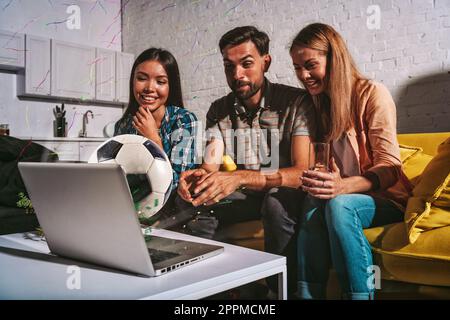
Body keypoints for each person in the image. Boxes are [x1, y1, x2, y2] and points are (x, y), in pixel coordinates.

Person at [177, 26, 313, 294]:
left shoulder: (296, 102)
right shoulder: (219, 109)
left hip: (284, 192)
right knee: (195, 202)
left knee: (275, 203)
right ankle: (203, 289)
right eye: (229, 66)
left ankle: (280, 291)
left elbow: (302, 172)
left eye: (246, 64)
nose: (237, 75)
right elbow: (210, 165)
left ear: (266, 61)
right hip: (246, 196)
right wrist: (197, 179)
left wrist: (238, 177)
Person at [289, 23, 413, 300]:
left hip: (387, 199)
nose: (304, 75)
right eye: (297, 68)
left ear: (336, 59)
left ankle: (358, 296)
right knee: (312, 201)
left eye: (310, 65)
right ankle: (307, 294)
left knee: (340, 204)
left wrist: (341, 187)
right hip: (344, 197)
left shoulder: (372, 93)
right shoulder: (321, 105)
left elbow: (391, 167)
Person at [114, 48, 199, 217]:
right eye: (141, 79)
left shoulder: (184, 121)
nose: (149, 88)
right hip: (130, 205)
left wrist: (152, 137)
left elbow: (177, 183)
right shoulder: (123, 125)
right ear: (133, 82)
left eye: (160, 82)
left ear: (170, 86)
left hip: (171, 207)